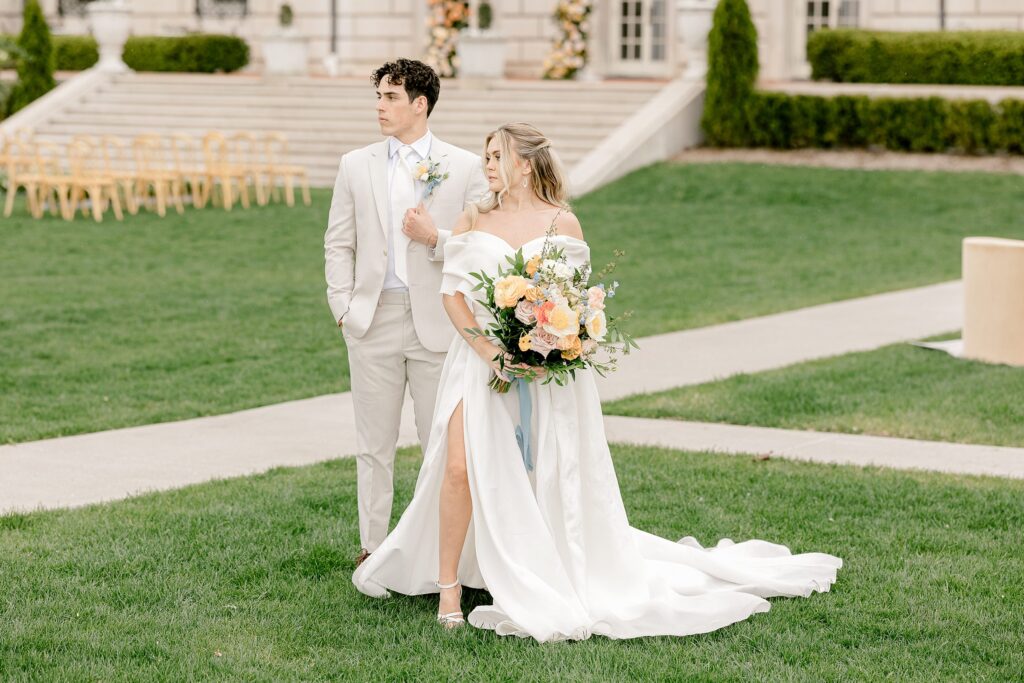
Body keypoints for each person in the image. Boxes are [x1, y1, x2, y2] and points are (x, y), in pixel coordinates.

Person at [352, 123, 842, 642]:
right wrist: (489, 351)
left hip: (545, 373)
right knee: (457, 469)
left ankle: (540, 565)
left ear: (525, 165)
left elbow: (574, 304)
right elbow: (452, 295)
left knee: (544, 470)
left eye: (496, 156)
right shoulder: (474, 217)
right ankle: (448, 586)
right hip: (477, 365)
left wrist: (547, 344)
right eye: (485, 156)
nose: (487, 165)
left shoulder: (562, 221)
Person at [324, 58, 488, 567]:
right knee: (373, 445)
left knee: (440, 444)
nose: (380, 106)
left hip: (438, 322)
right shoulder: (355, 164)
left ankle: (436, 551)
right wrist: (343, 306)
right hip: (371, 319)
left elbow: (481, 247)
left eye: (391, 97)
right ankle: (373, 547)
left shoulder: (465, 167)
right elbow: (338, 242)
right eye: (378, 96)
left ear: (420, 104)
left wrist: (435, 238)